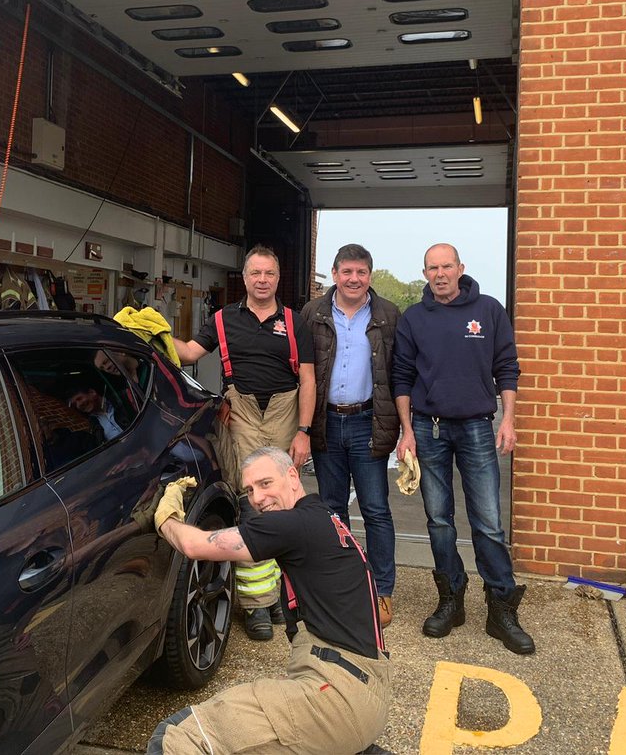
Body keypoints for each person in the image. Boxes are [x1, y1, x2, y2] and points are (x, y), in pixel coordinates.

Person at [148, 447, 390, 755]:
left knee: (177, 736)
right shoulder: (323, 515)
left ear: (292, 476)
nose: (257, 498)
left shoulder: (291, 525)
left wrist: (166, 515)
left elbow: (193, 545)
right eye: (249, 490)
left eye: (265, 483)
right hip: (366, 690)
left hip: (338, 698)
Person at [391, 243, 535, 655]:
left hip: (476, 427)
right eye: (432, 268)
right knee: (439, 520)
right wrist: (407, 431)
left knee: (488, 522)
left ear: (461, 268)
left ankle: (501, 609)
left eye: (446, 266)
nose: (439, 273)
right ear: (425, 273)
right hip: (429, 429)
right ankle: (450, 599)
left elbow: (507, 367)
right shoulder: (414, 318)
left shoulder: (489, 311)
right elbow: (401, 376)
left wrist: (507, 420)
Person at [172, 245, 316, 641]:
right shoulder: (222, 320)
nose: (262, 280)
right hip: (244, 413)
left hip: (287, 413)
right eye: (256, 273)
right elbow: (187, 353)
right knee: (253, 503)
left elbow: (307, 379)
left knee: (287, 504)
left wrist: (304, 431)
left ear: (277, 278)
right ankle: (257, 604)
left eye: (269, 273)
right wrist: (155, 334)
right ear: (245, 277)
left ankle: (286, 596)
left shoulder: (294, 321)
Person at [300, 244, 400, 628]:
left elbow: (400, 372)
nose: (353, 279)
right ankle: (341, 585)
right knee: (333, 510)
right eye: (347, 272)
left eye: (361, 272)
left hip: (367, 423)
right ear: (335, 273)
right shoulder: (313, 313)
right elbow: (302, 372)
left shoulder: (389, 315)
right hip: (327, 423)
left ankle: (381, 591)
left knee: (375, 510)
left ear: (369, 276)